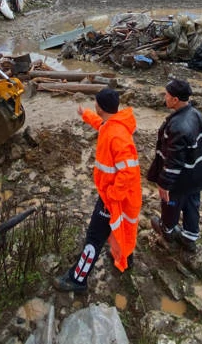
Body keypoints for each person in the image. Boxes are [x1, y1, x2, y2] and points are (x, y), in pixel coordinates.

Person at [53, 88, 142, 293]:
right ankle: (126, 257)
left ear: (100, 107)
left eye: (95, 104)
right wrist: (85, 114)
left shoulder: (116, 136)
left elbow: (128, 172)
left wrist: (111, 196)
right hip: (122, 195)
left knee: (94, 237)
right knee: (124, 226)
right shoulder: (113, 125)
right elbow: (100, 124)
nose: (94, 105)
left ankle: (78, 279)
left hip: (113, 197)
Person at [148, 78, 202, 253]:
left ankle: (167, 229)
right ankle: (190, 237)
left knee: (171, 204)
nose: (164, 97)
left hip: (181, 178)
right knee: (192, 205)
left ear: (175, 99)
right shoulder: (196, 114)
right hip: (196, 174)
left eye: (167, 95)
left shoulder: (178, 126)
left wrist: (164, 183)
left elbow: (174, 161)